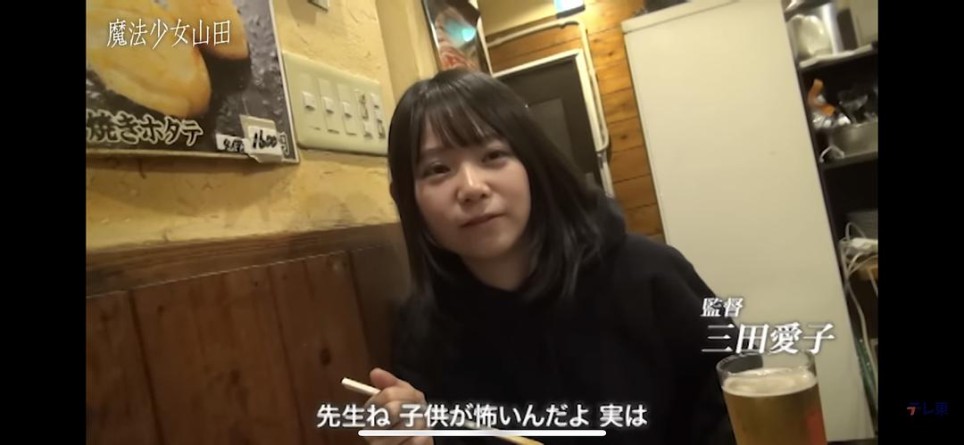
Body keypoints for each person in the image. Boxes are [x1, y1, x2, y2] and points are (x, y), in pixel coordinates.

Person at [363, 68, 738, 445]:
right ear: (407, 199)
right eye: (437, 169)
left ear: (533, 165)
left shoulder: (651, 275)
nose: (472, 188)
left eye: (493, 155)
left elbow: (734, 400)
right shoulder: (424, 330)